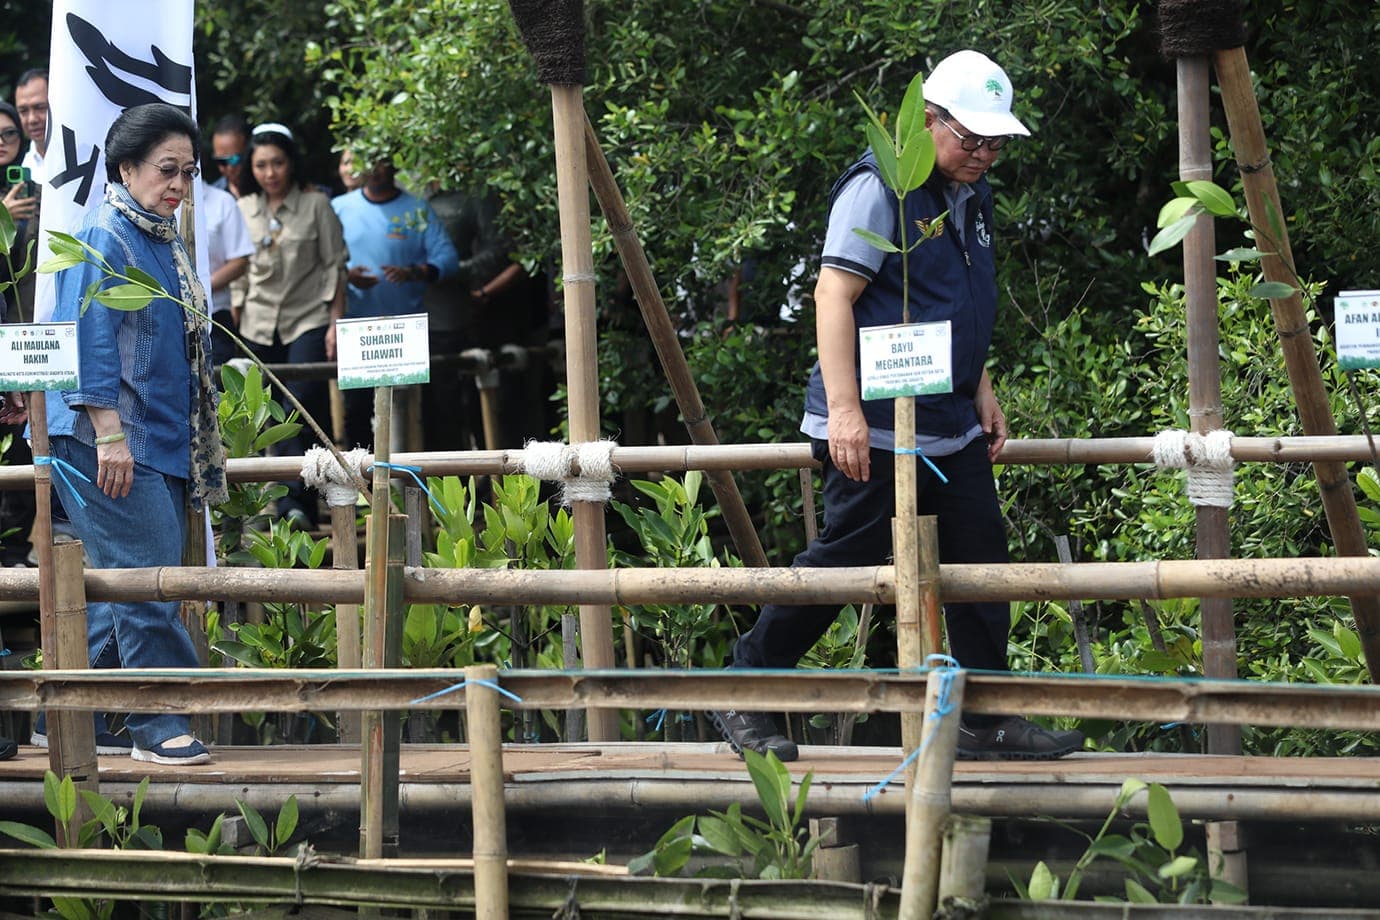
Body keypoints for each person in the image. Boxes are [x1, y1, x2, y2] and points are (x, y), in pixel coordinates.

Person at [710, 51, 1085, 763]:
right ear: (928, 122)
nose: (983, 154)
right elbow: (833, 296)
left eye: (995, 142)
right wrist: (846, 412)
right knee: (844, 564)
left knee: (982, 559)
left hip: (948, 421)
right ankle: (744, 687)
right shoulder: (878, 186)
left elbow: (955, 301)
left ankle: (984, 714)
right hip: (876, 420)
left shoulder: (971, 192)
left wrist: (981, 387)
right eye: (970, 139)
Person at [40, 102, 228, 765]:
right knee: (148, 580)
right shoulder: (106, 236)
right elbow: (88, 336)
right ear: (127, 168)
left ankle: (68, 717)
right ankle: (156, 724)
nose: (178, 185)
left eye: (189, 172)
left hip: (160, 437)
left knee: (124, 583)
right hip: (110, 438)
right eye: (166, 170)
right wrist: (110, 434)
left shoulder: (162, 238)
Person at [236, 123, 347, 527]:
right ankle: (296, 505)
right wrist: (235, 305)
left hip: (308, 320)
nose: (270, 173)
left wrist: (335, 325)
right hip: (255, 322)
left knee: (293, 409)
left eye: (277, 163)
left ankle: (294, 506)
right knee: (268, 416)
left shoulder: (317, 205)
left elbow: (335, 266)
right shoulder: (243, 207)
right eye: (261, 164)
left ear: (291, 163)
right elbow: (239, 268)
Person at [331, 159, 457, 449]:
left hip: (406, 332)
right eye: (367, 162)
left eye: (381, 163)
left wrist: (414, 272)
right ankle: (363, 489)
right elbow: (322, 263)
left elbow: (448, 259)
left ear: (394, 166)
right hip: (356, 330)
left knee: (412, 413)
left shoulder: (417, 209)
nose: (374, 170)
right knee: (357, 413)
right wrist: (345, 275)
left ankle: (413, 488)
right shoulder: (338, 207)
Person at [201, 175, 253, 366]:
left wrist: (196, 289)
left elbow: (240, 261)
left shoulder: (222, 201)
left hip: (214, 314)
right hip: (168, 317)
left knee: (216, 384)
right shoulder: (153, 197)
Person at [210, 114, 250, 197]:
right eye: (221, 161)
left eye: (234, 159)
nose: (230, 168)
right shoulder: (214, 196)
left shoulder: (269, 188)